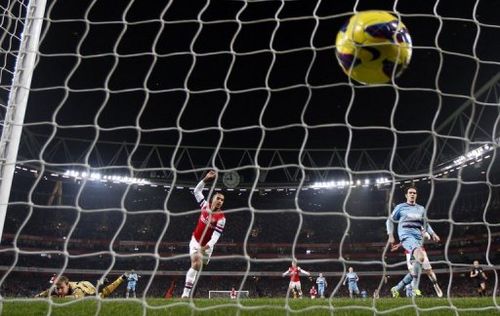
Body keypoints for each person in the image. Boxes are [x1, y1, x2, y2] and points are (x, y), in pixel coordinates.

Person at [386, 185, 443, 297]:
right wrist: (390, 235)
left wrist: (433, 233)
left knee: (422, 266)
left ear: (416, 195)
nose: (412, 194)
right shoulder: (400, 207)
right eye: (410, 192)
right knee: (420, 259)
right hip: (406, 236)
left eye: (414, 193)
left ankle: (397, 288)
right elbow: (389, 220)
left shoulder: (421, 209)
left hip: (418, 241)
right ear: (406, 195)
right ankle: (414, 289)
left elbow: (425, 224)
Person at [181, 170, 226, 298]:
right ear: (213, 199)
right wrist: (206, 179)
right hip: (195, 241)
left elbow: (215, 238)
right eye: (218, 198)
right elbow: (196, 191)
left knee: (198, 266)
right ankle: (185, 295)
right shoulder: (204, 205)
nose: (220, 201)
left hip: (207, 247)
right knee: (196, 262)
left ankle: (189, 289)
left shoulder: (221, 218)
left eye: (222, 200)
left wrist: (204, 248)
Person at [35, 274, 126, 298]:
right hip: (85, 286)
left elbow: (75, 299)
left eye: (61, 288)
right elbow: (49, 291)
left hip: (89, 290)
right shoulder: (59, 288)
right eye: (58, 288)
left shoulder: (78, 290)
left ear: (67, 284)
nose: (59, 291)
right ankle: (101, 283)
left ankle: (101, 283)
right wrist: (39, 296)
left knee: (101, 294)